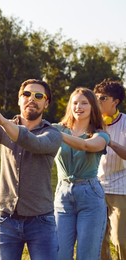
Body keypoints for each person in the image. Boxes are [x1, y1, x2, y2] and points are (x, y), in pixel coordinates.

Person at [0, 79, 61, 260]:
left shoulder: (53, 134)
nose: (31, 99)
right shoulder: (3, 127)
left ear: (46, 103)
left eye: (38, 96)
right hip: (6, 219)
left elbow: (34, 143)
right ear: (19, 99)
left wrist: (2, 121)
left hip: (41, 222)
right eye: (26, 94)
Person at [53, 87, 110, 260]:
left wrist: (58, 135)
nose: (79, 106)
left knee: (87, 257)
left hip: (90, 196)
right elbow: (30, 131)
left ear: (93, 106)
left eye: (84, 103)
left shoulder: (101, 134)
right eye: (75, 103)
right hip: (62, 196)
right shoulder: (57, 128)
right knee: (59, 255)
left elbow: (88, 146)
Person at [94, 79, 126, 260]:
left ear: (115, 102)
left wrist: (109, 141)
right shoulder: (91, 122)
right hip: (95, 188)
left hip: (120, 189)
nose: (97, 101)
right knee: (98, 241)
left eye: (103, 98)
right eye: (96, 97)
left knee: (120, 240)